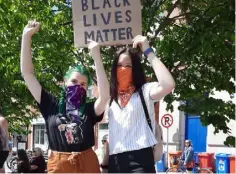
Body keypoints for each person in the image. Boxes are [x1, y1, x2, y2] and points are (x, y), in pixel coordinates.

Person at [20, 20, 109, 173]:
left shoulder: (89, 109)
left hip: (87, 163)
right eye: (74, 81)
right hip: (59, 165)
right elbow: (27, 74)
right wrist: (26, 37)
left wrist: (97, 58)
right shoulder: (51, 105)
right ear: (65, 82)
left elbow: (105, 96)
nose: (77, 86)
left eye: (83, 84)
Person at [108, 35, 175, 173]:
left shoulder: (145, 91)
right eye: (119, 65)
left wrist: (148, 51)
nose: (123, 69)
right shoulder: (111, 98)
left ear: (135, 69)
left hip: (140, 159)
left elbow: (168, 84)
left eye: (128, 65)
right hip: (115, 161)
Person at [0, 109, 9, 173]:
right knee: (1, 167)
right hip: (3, 149)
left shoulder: (2, 119)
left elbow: (5, 136)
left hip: (2, 149)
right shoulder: (3, 119)